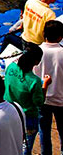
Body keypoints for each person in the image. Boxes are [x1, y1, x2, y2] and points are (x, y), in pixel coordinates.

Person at [5, 45, 50, 155]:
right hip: (28, 118)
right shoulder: (34, 81)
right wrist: (45, 85)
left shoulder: (11, 67)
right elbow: (39, 102)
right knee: (25, 146)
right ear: (37, 61)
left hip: (8, 112)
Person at [33, 20, 63, 155]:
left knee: (44, 132)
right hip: (60, 100)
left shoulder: (36, 52)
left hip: (42, 99)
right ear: (60, 37)